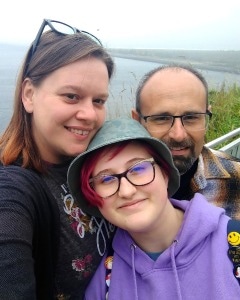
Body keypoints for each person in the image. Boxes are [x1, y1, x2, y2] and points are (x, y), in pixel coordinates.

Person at [0, 19, 115, 299]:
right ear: (29, 95)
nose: (89, 114)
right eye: (71, 96)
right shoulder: (13, 190)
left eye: (98, 101)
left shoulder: (95, 164)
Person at [67, 117, 240, 299]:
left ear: (165, 174)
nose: (126, 191)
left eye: (139, 169)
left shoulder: (233, 246)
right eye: (106, 179)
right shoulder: (103, 282)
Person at [131, 64, 240, 219]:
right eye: (162, 118)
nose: (178, 135)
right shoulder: (113, 188)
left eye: (191, 117)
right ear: (137, 121)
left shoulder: (237, 177)